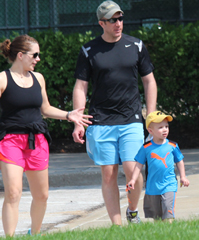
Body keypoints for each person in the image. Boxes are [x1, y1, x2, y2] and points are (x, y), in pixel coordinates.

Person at [72, 0, 158, 225]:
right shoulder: (89, 50)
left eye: (120, 18)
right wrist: (78, 121)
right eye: (112, 20)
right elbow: (81, 87)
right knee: (108, 174)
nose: (118, 23)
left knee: (134, 171)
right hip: (101, 121)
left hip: (131, 119)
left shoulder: (136, 45)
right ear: (102, 23)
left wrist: (151, 115)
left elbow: (149, 82)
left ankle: (132, 211)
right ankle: (116, 226)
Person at [0, 35, 92, 236]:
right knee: (13, 193)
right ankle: (9, 237)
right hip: (11, 141)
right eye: (35, 55)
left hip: (37, 141)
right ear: (21, 55)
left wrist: (69, 115)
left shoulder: (38, 78)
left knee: (42, 195)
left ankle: (35, 233)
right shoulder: (2, 79)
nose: (38, 59)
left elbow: (45, 108)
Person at [126, 111, 189, 223]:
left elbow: (179, 161)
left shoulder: (172, 146)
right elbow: (138, 165)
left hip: (169, 184)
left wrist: (183, 177)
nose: (165, 129)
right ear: (150, 131)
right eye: (160, 127)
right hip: (152, 187)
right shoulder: (146, 148)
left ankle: (170, 232)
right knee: (157, 218)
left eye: (166, 126)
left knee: (168, 213)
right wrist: (133, 179)